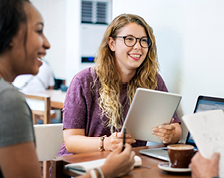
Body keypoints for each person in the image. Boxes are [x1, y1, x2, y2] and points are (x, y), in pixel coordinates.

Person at [0, 1, 135, 178]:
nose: (47, 44)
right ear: (10, 36)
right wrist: (104, 172)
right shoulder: (7, 100)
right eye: (38, 31)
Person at [58, 13, 182, 156]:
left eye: (143, 41)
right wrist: (106, 144)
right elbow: (71, 141)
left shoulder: (153, 80)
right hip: (81, 165)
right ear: (112, 44)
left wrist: (170, 134)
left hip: (127, 163)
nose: (138, 47)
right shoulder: (84, 81)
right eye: (129, 39)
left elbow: (176, 129)